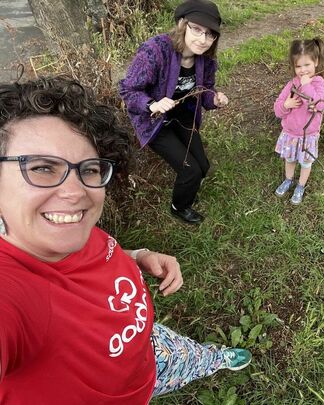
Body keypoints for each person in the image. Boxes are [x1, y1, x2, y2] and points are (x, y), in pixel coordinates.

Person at [0, 76, 251, 404]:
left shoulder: (61, 231)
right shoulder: (13, 292)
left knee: (189, 357)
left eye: (89, 169)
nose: (77, 192)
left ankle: (210, 359)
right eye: (43, 168)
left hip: (151, 346)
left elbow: (89, 257)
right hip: (126, 394)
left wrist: (136, 257)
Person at [119, 0, 228, 224]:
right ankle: (179, 206)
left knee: (203, 166)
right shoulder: (155, 50)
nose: (202, 39)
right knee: (190, 171)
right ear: (182, 24)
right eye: (196, 29)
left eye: (210, 34)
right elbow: (128, 90)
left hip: (183, 115)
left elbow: (204, 91)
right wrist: (152, 104)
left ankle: (188, 188)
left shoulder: (206, 59)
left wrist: (215, 99)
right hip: (154, 120)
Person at [273, 38, 324, 205]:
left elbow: (319, 105)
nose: (303, 70)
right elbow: (277, 109)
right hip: (290, 133)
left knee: (305, 162)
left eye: (307, 65)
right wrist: (285, 105)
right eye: (298, 66)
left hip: (307, 135)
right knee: (289, 159)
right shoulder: (291, 84)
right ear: (293, 66)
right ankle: (288, 180)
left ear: (316, 62)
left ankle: (300, 186)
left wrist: (306, 86)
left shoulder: (319, 83)